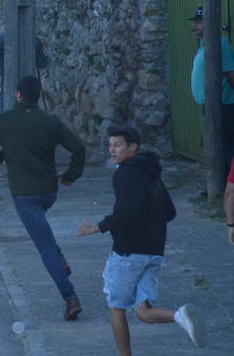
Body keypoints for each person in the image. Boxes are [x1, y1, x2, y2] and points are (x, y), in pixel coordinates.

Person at [77, 125, 205, 353]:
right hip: (154, 251)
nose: (112, 150)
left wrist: (97, 228)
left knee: (116, 308)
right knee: (143, 312)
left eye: (118, 145)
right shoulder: (151, 172)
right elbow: (170, 212)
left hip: (128, 252)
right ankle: (179, 316)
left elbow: (126, 215)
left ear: (132, 147)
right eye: (110, 145)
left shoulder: (124, 174)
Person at [0, 75, 86, 321]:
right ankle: (59, 261)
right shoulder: (51, 121)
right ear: (38, 96)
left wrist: (4, 157)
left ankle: (70, 298)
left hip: (24, 194)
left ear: (17, 95)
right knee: (44, 232)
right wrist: (71, 175)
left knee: (43, 245)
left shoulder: (5, 121)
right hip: (49, 192)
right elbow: (79, 148)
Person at [188, 6, 234, 172]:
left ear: (210, 24)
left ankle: (228, 189)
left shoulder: (220, 43)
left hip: (224, 105)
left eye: (198, 22)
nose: (194, 26)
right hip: (211, 106)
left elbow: (230, 73)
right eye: (194, 22)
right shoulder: (203, 45)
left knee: (227, 146)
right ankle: (222, 187)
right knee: (217, 147)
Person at [0, 30, 49, 111]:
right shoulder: (34, 40)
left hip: (8, 81)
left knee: (7, 108)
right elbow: (42, 63)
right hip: (28, 84)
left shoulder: (2, 37)